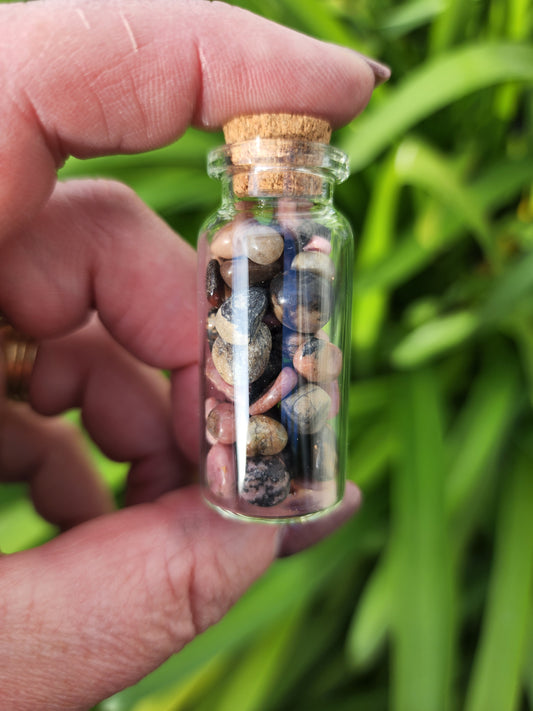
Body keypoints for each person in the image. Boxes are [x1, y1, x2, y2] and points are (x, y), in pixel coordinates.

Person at [0, 0, 389, 708]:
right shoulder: (233, 236)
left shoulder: (308, 236)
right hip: (259, 441)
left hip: (282, 438)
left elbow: (288, 355)